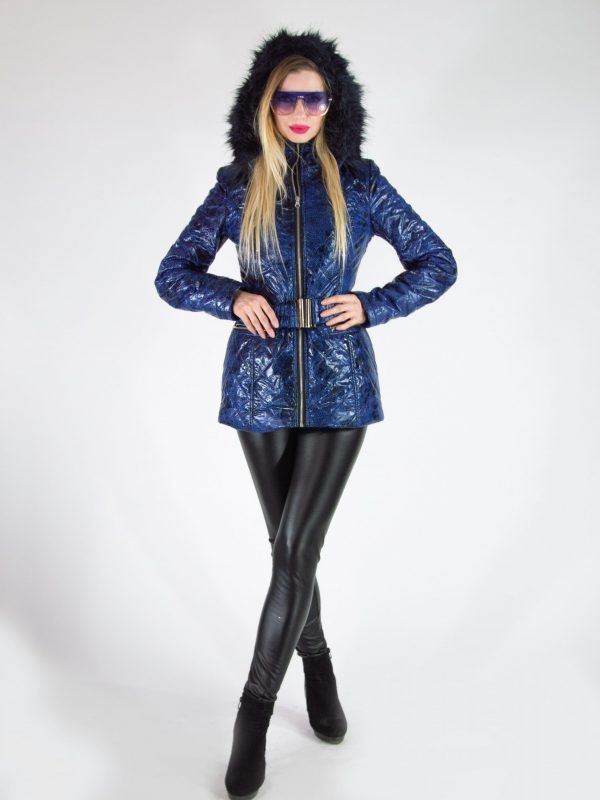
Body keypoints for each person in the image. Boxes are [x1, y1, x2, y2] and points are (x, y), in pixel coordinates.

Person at [154, 27, 457, 800]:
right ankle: (317, 667)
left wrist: (376, 304)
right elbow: (172, 274)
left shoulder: (360, 184)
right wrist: (231, 296)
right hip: (257, 387)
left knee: (294, 548)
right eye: (286, 98)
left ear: (331, 106)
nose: (298, 110)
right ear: (265, 105)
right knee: (289, 547)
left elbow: (438, 262)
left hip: (340, 383)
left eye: (312, 99)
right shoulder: (238, 186)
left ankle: (251, 718)